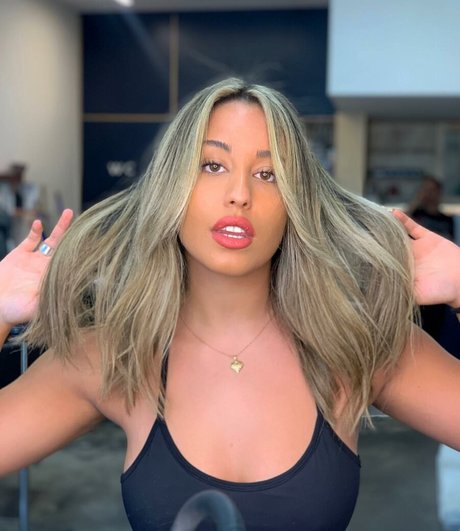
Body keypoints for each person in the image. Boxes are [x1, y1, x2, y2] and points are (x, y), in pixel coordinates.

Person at [0, 79, 459, 531]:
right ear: (171, 187)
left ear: (295, 203)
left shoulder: (358, 344)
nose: (240, 193)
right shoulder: (111, 354)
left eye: (267, 174)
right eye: (213, 165)